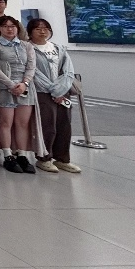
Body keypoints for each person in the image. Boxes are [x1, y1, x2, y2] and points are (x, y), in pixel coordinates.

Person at [0, 15, 38, 174]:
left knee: (22, 123)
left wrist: (24, 83)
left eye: (13, 26)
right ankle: (8, 155)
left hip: (24, 88)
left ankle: (22, 155)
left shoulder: (26, 46)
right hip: (3, 89)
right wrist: (11, 84)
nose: (10, 29)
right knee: (5, 122)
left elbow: (31, 67)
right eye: (5, 26)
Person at [29, 18, 81, 174]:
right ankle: (44, 158)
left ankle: (63, 159)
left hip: (62, 93)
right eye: (38, 28)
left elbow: (68, 71)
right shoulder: (28, 49)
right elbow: (34, 73)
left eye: (46, 28)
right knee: (47, 126)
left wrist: (60, 90)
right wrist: (54, 90)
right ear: (30, 31)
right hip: (42, 92)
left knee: (64, 125)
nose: (42, 31)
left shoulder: (59, 49)